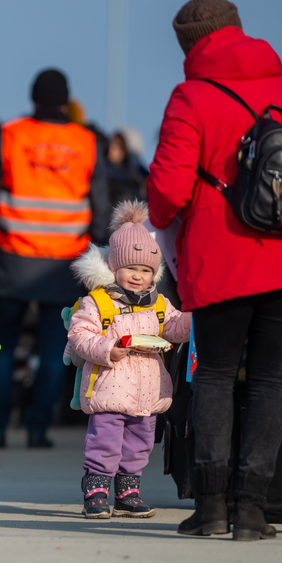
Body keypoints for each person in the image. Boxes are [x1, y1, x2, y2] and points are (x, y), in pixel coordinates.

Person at [147, 0, 282, 540]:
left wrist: (171, 220)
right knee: (267, 380)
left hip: (226, 258)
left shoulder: (193, 96)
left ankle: (210, 510)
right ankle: (253, 513)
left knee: (212, 375)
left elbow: (166, 189)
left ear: (189, 43)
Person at [0, 68, 110, 448]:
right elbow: (100, 207)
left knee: (1, 343)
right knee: (52, 349)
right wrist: (99, 264)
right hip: (65, 263)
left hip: (12, 258)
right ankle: (37, 429)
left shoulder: (10, 135)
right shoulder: (87, 141)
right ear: (66, 99)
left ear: (33, 97)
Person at [68, 201, 192, 519]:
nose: (138, 276)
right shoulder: (97, 302)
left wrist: (195, 316)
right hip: (109, 389)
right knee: (104, 442)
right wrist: (107, 349)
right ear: (114, 268)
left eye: (146, 270)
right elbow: (80, 335)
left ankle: (128, 491)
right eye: (131, 269)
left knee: (139, 445)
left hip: (148, 393)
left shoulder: (159, 304)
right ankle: (96, 489)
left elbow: (176, 328)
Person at [104, 128, 149, 209]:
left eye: (119, 146)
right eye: (110, 144)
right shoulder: (103, 175)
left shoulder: (144, 180)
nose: (111, 150)